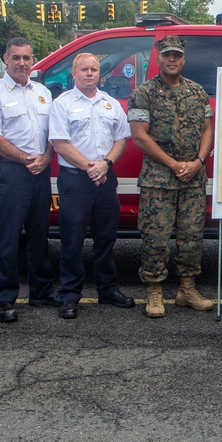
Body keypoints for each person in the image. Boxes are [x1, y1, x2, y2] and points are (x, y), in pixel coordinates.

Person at [128, 35, 214, 318]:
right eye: (167, 55)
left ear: (183, 59)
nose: (172, 59)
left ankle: (186, 290)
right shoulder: (144, 93)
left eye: (177, 55)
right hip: (158, 179)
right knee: (156, 237)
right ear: (159, 58)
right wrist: (174, 164)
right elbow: (139, 136)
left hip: (192, 178)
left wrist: (199, 161)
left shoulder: (197, 92)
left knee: (192, 236)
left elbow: (207, 129)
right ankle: (154, 291)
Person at [0, 36, 59, 323]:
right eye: (16, 58)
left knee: (40, 234)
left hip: (40, 170)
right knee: (7, 237)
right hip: (11, 172)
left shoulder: (42, 93)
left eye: (27, 58)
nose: (22, 63)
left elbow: (53, 133)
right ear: (5, 59)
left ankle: (41, 290)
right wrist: (27, 159)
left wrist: (47, 157)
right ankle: (3, 298)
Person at [49, 53, 134, 319]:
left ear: (100, 74)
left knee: (106, 238)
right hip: (76, 179)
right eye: (83, 69)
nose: (89, 73)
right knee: (72, 239)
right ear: (73, 74)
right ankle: (71, 294)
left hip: (105, 179)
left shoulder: (110, 104)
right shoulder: (62, 104)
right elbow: (60, 143)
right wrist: (91, 167)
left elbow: (121, 139)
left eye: (94, 69)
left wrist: (106, 164)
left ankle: (108, 290)